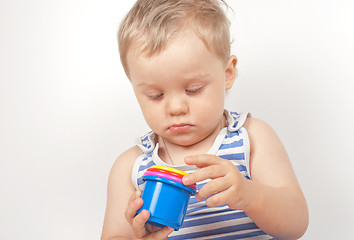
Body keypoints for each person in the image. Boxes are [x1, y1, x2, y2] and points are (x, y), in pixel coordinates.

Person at [101, 0, 309, 239]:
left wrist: (249, 195)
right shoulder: (132, 168)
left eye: (193, 89)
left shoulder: (251, 138)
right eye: (155, 95)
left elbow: (297, 223)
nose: (176, 107)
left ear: (227, 73)